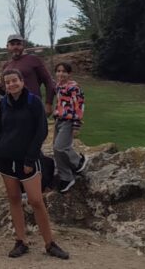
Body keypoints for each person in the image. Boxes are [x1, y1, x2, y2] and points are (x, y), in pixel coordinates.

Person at [0, 69, 70, 259]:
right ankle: (21, 241)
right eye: (7, 82)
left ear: (22, 81)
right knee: (14, 199)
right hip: (6, 159)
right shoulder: (3, 104)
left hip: (27, 160)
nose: (11, 85)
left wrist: (30, 159)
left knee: (36, 200)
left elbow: (41, 131)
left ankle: (50, 243)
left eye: (14, 81)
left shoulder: (33, 102)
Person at [0, 34, 58, 115]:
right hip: (13, 108)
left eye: (18, 44)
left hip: (32, 105)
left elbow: (48, 81)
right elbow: (7, 91)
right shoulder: (6, 66)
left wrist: (48, 103)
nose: (15, 47)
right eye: (12, 44)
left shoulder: (33, 60)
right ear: (7, 46)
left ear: (23, 45)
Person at [52, 62, 88, 194]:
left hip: (68, 121)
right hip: (59, 121)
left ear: (69, 73)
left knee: (60, 147)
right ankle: (66, 177)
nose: (61, 74)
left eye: (64, 71)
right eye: (58, 71)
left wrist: (76, 125)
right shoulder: (58, 86)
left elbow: (79, 106)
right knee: (56, 150)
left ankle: (78, 161)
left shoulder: (74, 88)